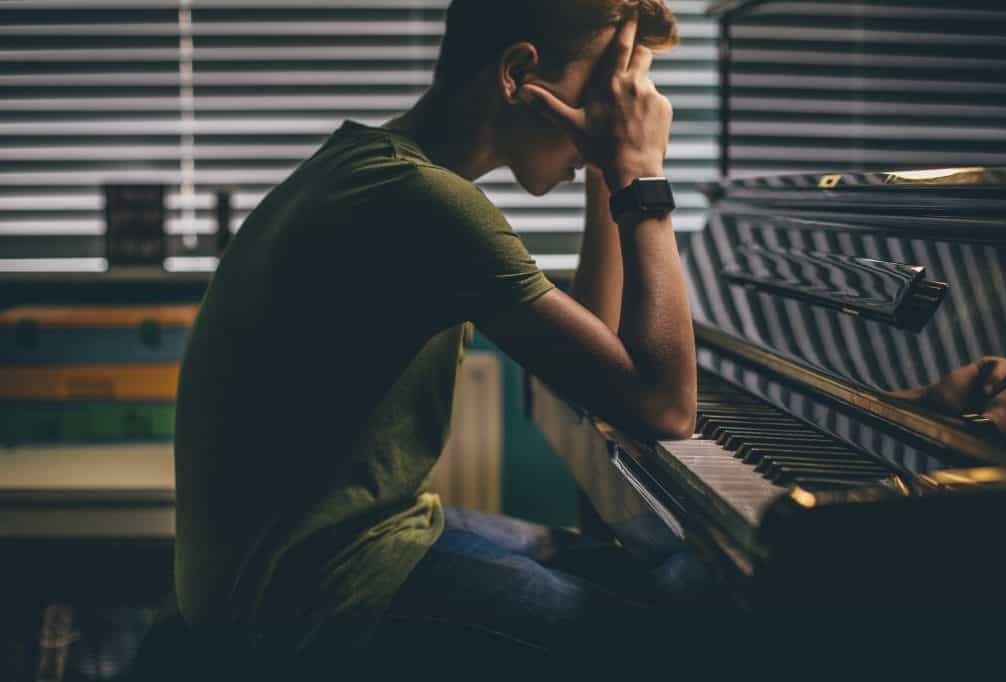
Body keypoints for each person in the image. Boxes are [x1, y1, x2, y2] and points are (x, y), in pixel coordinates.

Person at [165, 1, 725, 678]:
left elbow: (604, 357)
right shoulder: (421, 201)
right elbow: (663, 407)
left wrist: (612, 165)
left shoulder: (374, 167)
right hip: (304, 596)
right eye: (601, 96)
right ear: (518, 73)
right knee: (695, 649)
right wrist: (640, 172)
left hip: (338, 546)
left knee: (668, 578)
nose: (614, 118)